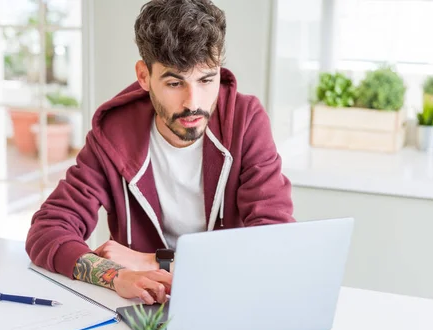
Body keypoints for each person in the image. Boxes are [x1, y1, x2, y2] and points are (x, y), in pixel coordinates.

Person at [26, 0, 294, 305]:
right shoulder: (114, 135)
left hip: (229, 300)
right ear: (144, 76)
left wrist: (153, 262)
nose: (193, 102)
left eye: (206, 80)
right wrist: (116, 275)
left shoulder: (245, 121)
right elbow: (47, 230)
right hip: (143, 308)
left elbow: (274, 242)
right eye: (174, 82)